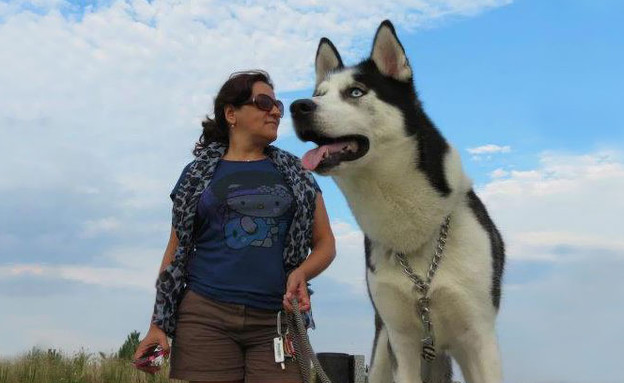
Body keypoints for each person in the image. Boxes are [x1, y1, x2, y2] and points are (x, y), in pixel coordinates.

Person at [133, 70, 336, 383]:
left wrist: (302, 272)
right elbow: (176, 251)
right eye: (264, 102)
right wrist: (158, 325)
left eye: (278, 104)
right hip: (205, 317)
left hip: (277, 321)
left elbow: (325, 244)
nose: (276, 111)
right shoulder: (196, 175)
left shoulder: (298, 173)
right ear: (231, 114)